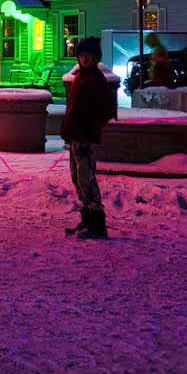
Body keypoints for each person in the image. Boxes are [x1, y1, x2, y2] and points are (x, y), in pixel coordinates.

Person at [61, 36, 117, 240]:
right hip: (75, 137)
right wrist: (67, 130)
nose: (84, 59)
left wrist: (89, 125)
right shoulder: (80, 77)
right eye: (82, 56)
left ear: (95, 58)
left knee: (86, 178)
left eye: (89, 56)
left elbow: (107, 110)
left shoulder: (95, 79)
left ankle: (97, 222)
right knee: (77, 178)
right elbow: (73, 109)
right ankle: (87, 219)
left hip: (85, 137)